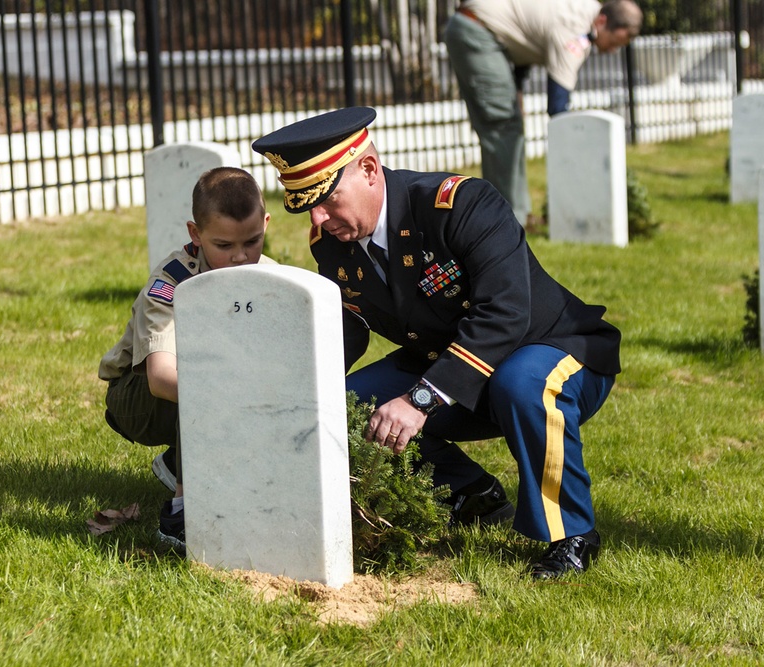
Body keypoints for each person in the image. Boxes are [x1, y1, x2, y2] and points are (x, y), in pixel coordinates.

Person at [251, 107, 621, 579]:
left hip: (556, 351)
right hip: (460, 370)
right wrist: (292, 387)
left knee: (523, 381)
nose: (318, 216)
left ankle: (572, 534)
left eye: (327, 198)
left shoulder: (461, 205)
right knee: (345, 402)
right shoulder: (331, 243)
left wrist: (422, 397)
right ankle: (469, 493)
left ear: (368, 169)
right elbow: (348, 326)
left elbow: (505, 313)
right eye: (305, 205)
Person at [98, 167, 275, 554]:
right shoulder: (173, 283)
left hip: (207, 384)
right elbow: (161, 378)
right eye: (224, 245)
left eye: (252, 241)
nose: (240, 256)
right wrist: (231, 398)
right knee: (207, 377)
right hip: (139, 395)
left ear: (265, 223)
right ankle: (182, 511)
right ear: (195, 234)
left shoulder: (271, 279)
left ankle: (185, 460)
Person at [443, 0, 643, 225]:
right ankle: (506, 220)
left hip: (486, 32)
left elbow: (524, 39)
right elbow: (558, 105)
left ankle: (516, 213)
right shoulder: (574, 26)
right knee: (502, 126)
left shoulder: (584, 10)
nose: (613, 50)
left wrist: (517, 89)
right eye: (615, 42)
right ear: (603, 21)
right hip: (477, 30)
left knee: (510, 126)